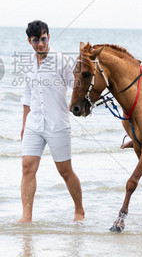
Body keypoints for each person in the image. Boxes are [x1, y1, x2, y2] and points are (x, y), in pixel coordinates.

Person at [17, 20, 85, 223]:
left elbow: (77, 86)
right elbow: (27, 95)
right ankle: (26, 217)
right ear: (29, 40)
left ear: (48, 37)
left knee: (65, 171)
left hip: (58, 123)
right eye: (36, 40)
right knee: (27, 166)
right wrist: (23, 124)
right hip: (34, 124)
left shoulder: (60, 61)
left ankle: (79, 211)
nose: (40, 43)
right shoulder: (28, 62)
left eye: (44, 38)